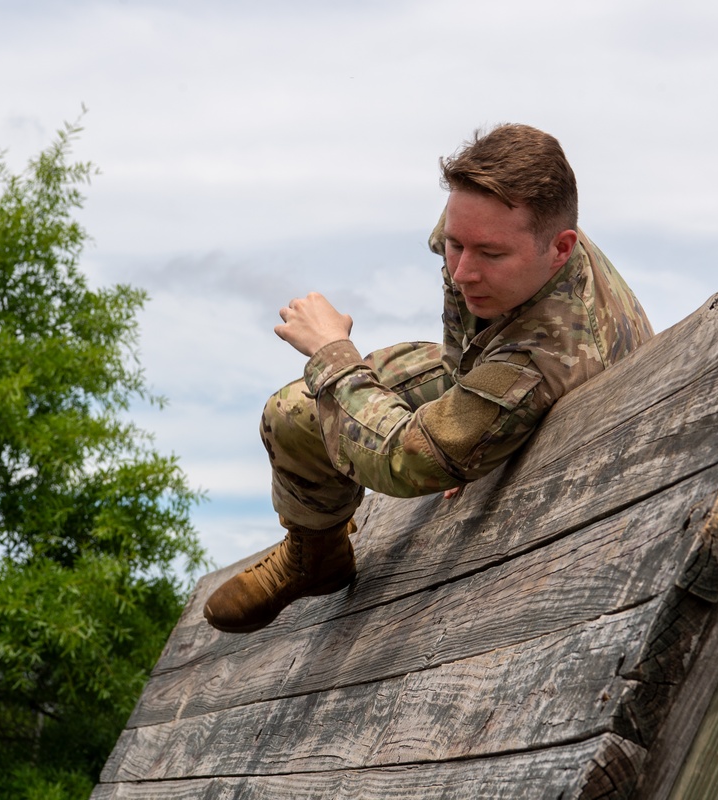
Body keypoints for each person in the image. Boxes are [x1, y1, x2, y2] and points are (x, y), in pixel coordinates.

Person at [203, 123, 653, 634]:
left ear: (561, 247)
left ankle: (317, 552)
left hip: (583, 458)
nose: (462, 272)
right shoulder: (492, 224)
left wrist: (332, 352)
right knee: (296, 413)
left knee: (344, 395)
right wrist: (455, 402)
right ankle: (317, 555)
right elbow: (461, 324)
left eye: (490, 254)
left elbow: (402, 462)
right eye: (456, 245)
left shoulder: (543, 357)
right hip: (488, 363)